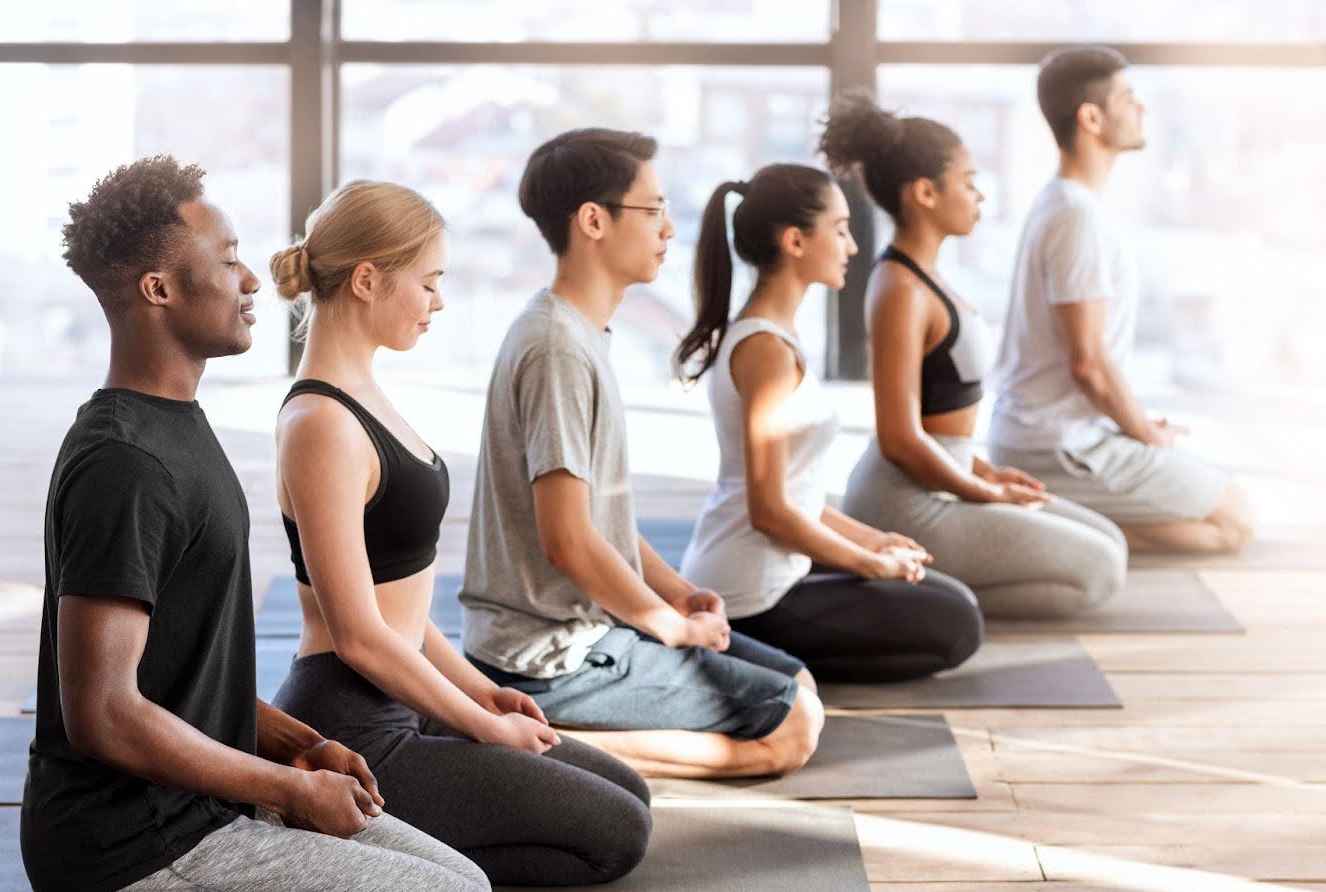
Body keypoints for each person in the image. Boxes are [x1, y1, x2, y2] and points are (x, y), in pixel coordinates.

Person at [0, 157, 503, 892]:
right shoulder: (124, 463)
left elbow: (179, 669)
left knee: (464, 887)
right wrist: (287, 791)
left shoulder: (179, 426)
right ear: (160, 287)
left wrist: (291, 744)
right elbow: (102, 711)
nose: (254, 278)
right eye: (231, 255)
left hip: (208, 808)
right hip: (130, 845)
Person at [267, 179, 651, 886]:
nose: (439, 302)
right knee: (616, 835)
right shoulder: (320, 425)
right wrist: (484, 728)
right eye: (430, 282)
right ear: (366, 280)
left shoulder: (365, 392)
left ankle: (397, 845)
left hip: (408, 692)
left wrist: (480, 692)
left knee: (632, 794)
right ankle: (351, 849)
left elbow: (402, 611)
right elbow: (358, 633)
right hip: (356, 729)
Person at [459, 128, 824, 780]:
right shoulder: (555, 347)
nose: (669, 229)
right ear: (593, 220)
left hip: (591, 630)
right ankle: (542, 739)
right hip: (546, 656)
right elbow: (567, 540)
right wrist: (664, 626)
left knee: (799, 681)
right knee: (794, 725)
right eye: (652, 210)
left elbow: (603, 524)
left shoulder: (581, 332)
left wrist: (679, 596)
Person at [818, 93, 1129, 618]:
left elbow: (941, 425)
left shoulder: (927, 278)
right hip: (905, 502)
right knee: (1098, 572)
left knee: (1110, 543)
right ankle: (916, 597)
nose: (979, 195)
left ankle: (932, 590)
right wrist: (984, 496)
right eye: (968, 181)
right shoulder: (898, 288)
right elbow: (899, 437)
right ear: (925, 193)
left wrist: (987, 473)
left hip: (945, 479)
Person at [672, 162, 983, 679]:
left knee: (949, 599)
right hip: (753, 594)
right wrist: (868, 564)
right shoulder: (765, 350)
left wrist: (872, 540)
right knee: (957, 624)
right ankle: (752, 663)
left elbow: (798, 498)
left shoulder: (773, 338)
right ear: (795, 241)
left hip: (768, 571)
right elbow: (770, 511)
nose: (853, 247)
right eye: (839, 230)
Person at [988, 46, 1253, 554]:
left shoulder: (1067, 205)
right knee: (1235, 520)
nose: (1143, 109)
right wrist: (1144, 438)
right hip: (1054, 449)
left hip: (1062, 436)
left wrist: (1131, 423)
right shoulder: (1075, 217)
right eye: (1129, 99)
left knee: (1223, 510)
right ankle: (1063, 527)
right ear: (1090, 118)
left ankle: (1062, 521)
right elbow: (1088, 364)